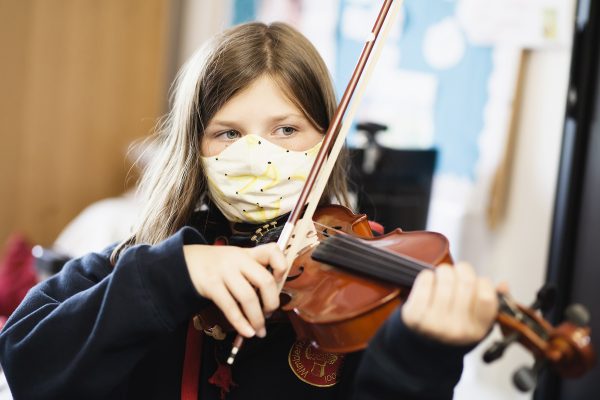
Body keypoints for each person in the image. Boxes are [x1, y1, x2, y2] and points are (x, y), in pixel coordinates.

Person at [0, 22, 498, 399]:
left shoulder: (363, 293)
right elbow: (25, 363)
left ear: (327, 141)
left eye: (286, 130)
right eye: (229, 133)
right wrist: (170, 273)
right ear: (193, 148)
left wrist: (420, 356)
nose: (258, 155)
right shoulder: (143, 261)